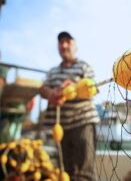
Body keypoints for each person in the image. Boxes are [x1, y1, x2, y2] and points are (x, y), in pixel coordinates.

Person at [39, 31, 100, 181]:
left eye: (68, 41)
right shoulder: (53, 71)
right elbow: (42, 88)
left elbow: (94, 88)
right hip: (60, 128)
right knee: (64, 171)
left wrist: (73, 87)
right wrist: (51, 93)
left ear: (75, 46)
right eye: (61, 42)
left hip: (83, 123)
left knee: (84, 173)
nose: (64, 45)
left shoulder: (84, 66)